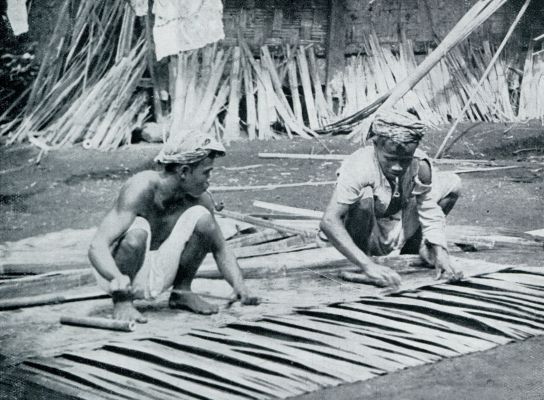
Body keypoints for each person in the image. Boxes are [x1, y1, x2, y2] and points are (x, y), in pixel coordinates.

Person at [88, 133, 259, 322]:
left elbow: (221, 248)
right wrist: (116, 278)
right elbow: (97, 246)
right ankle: (122, 303)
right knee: (137, 232)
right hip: (118, 275)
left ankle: (181, 292)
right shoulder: (141, 187)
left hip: (158, 270)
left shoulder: (200, 199)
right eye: (206, 172)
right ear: (184, 171)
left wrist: (239, 285)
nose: (208, 180)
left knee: (204, 220)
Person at [319, 110, 463, 289]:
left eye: (405, 160)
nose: (398, 167)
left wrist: (440, 250)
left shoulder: (420, 164)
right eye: (390, 159)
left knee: (452, 183)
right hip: (365, 232)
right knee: (364, 198)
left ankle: (414, 251)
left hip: (395, 224)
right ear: (376, 145)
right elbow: (329, 221)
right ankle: (362, 265)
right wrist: (368, 265)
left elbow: (429, 209)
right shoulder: (360, 165)